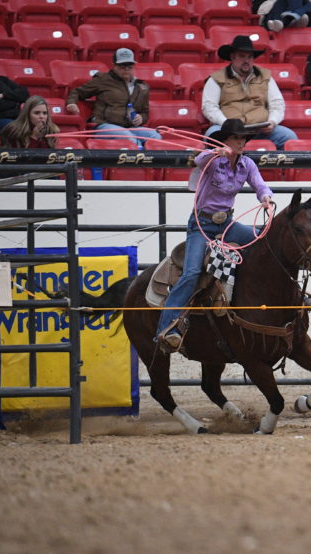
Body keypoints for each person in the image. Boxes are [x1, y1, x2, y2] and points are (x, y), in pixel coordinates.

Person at [156, 118, 274, 353]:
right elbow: (199, 160)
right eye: (236, 138)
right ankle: (167, 328)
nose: (241, 142)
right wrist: (214, 153)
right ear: (225, 141)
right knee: (190, 273)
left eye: (243, 138)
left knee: (266, 241)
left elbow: (260, 184)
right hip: (202, 225)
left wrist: (266, 198)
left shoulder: (247, 164)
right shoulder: (212, 160)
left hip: (226, 224)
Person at [201, 35, 296, 150]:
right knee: (211, 135)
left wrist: (272, 122)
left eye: (250, 57)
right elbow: (209, 107)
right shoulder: (216, 78)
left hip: (260, 130)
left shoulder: (265, 77)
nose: (246, 60)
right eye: (242, 56)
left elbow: (277, 103)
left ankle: (284, 169)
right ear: (232, 57)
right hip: (228, 130)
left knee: (289, 137)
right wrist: (227, 124)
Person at [65, 48, 160, 148]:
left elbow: (145, 113)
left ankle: (152, 162)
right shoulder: (103, 80)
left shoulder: (142, 86)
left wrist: (141, 118)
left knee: (155, 136)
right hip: (104, 126)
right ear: (114, 66)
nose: (126, 69)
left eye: (129, 65)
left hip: (130, 127)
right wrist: (72, 103)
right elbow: (77, 92)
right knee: (129, 138)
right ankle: (139, 160)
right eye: (122, 66)